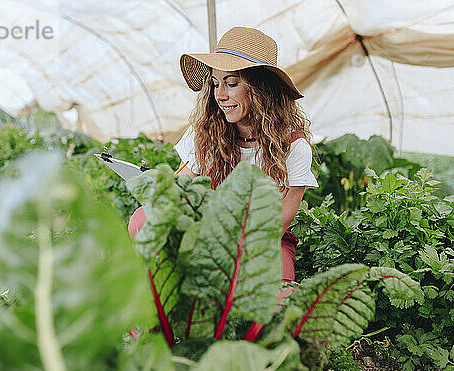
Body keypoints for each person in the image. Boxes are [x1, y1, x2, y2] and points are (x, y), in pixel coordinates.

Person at [129, 26, 318, 282]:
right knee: (143, 218)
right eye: (216, 83)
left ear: (261, 89)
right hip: (206, 233)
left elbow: (279, 223)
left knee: (277, 304)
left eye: (231, 83)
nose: (220, 95)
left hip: (262, 244)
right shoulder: (204, 134)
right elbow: (179, 188)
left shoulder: (293, 146)